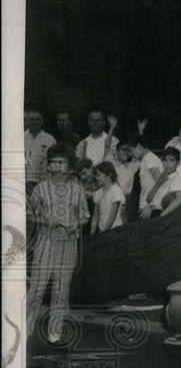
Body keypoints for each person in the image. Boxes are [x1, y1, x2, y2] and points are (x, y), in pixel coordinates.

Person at [25, 144, 89, 344]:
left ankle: (55, 332)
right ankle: (25, 330)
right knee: (36, 289)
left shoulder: (77, 190)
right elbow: (28, 215)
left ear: (69, 165)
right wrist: (44, 220)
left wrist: (74, 225)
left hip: (68, 244)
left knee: (61, 291)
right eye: (52, 161)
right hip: (45, 242)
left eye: (60, 162)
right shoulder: (40, 188)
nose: (56, 166)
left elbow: (85, 216)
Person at [126, 134, 164, 221]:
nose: (132, 154)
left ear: (139, 146)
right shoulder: (148, 158)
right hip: (147, 209)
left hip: (150, 210)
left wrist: (152, 206)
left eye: (132, 150)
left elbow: (160, 182)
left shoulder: (149, 158)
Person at [141, 147, 181, 218]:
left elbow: (180, 198)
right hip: (151, 209)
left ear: (178, 163)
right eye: (165, 160)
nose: (168, 163)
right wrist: (158, 183)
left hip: (161, 213)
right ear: (162, 162)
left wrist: (162, 216)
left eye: (172, 160)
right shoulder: (162, 176)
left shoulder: (176, 178)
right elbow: (148, 199)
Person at [24, 109, 57, 194]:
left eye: (37, 119)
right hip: (24, 182)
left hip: (43, 182)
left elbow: (54, 163)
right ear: (26, 121)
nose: (34, 122)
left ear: (42, 122)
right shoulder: (20, 138)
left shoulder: (50, 139)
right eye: (31, 119)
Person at [90, 161, 125, 233]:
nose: (97, 178)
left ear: (109, 175)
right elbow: (95, 216)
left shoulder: (116, 191)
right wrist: (92, 233)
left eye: (99, 175)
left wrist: (104, 232)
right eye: (96, 175)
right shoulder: (98, 193)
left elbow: (112, 216)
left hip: (115, 230)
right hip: (102, 230)